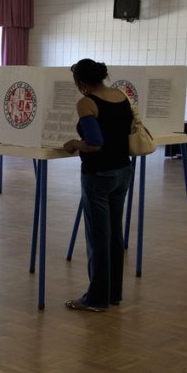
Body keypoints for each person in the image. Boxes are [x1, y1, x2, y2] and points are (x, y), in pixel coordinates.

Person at [62, 58, 134, 312]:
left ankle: (96, 299)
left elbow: (94, 142)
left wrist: (74, 143)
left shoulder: (87, 102)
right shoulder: (120, 96)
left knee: (97, 237)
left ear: (82, 83)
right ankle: (114, 293)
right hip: (123, 171)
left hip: (98, 174)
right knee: (115, 234)